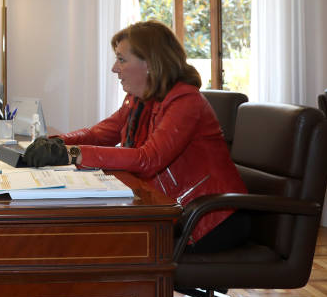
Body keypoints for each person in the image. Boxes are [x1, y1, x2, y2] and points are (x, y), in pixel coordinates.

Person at [24, 20, 248, 252]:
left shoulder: (185, 101)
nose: (114, 68)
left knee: (93, 243)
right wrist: (55, 143)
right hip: (169, 210)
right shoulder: (139, 99)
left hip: (207, 220)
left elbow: (148, 159)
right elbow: (99, 134)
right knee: (84, 236)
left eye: (121, 59)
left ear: (150, 63)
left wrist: (71, 154)